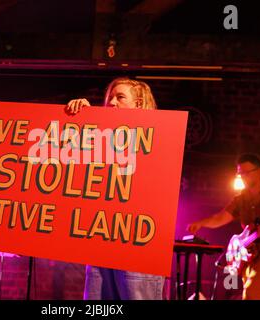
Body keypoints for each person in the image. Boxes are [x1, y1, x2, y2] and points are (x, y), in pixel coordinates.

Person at [66, 77, 165, 300]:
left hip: (138, 241)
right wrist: (83, 118)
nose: (111, 102)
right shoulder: (102, 135)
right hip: (104, 237)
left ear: (139, 104)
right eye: (110, 97)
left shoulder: (159, 135)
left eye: (120, 97)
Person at [187, 153, 260, 300]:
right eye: (240, 173)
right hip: (248, 255)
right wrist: (200, 223)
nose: (243, 177)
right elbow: (220, 217)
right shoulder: (240, 199)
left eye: (246, 173)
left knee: (251, 295)